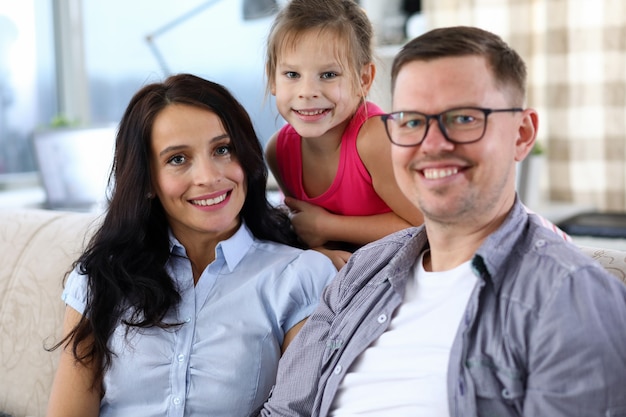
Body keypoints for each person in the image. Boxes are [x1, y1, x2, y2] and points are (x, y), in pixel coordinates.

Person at [259, 26, 626, 416]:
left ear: (522, 134)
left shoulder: (572, 295)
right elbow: (284, 411)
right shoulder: (359, 275)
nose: (432, 145)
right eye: (412, 122)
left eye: (465, 118)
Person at [45, 74, 337, 417]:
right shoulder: (100, 277)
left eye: (223, 150)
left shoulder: (300, 276)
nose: (209, 177)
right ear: (148, 181)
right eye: (178, 159)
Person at [264, 0, 423, 269]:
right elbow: (308, 233)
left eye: (328, 74)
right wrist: (318, 251)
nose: (307, 91)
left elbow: (427, 225)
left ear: (363, 80)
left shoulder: (375, 138)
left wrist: (329, 226)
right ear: (272, 79)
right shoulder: (279, 151)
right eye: (292, 74)